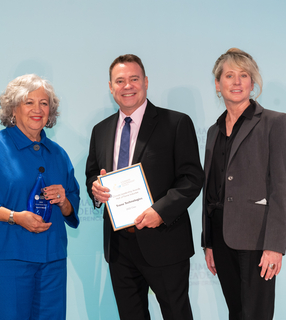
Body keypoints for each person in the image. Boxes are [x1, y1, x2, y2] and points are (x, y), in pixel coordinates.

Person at [85, 54, 204, 320]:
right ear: (110, 86)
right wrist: (96, 190)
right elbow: (93, 174)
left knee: (176, 314)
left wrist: (159, 212)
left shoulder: (175, 123)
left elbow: (192, 178)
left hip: (164, 241)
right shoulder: (100, 130)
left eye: (134, 79)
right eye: (120, 80)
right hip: (118, 247)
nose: (127, 86)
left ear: (146, 82)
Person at [0, 74, 80, 320]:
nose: (38, 109)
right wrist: (15, 217)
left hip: (52, 262)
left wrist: (65, 201)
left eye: (44, 103)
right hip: (4, 260)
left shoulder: (58, 154)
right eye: (28, 102)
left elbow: (72, 207)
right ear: (13, 109)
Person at [202, 48, 286, 320]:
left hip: (257, 239)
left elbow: (282, 189)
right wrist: (208, 242)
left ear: (253, 84)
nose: (237, 81)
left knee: (256, 315)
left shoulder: (275, 122)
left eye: (244, 75)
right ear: (218, 85)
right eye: (229, 75)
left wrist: (275, 245)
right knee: (236, 312)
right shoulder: (213, 130)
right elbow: (212, 188)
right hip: (220, 236)